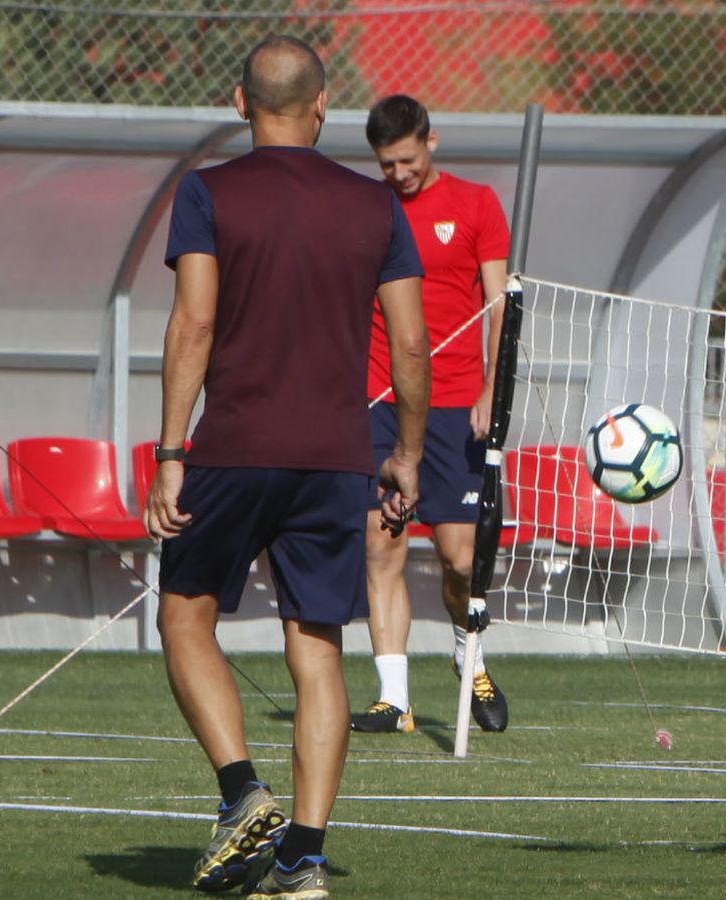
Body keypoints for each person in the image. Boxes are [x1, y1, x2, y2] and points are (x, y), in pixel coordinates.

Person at [145, 35, 429, 898]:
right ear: (322, 105)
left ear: (239, 102)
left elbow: (194, 324)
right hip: (338, 458)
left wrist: (168, 451)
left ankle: (242, 795)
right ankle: (304, 860)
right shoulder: (376, 204)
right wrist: (408, 455)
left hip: (233, 447)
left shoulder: (208, 192)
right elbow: (412, 342)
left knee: (185, 619)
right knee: (317, 649)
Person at [348, 94, 513, 737]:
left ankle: (469, 656)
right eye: (386, 164)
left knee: (461, 559)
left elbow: (501, 307)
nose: (398, 174)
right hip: (380, 401)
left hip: (453, 405)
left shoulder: (476, 205)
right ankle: (395, 699)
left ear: (431, 141)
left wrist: (491, 391)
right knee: (380, 542)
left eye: (407, 160)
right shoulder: (366, 209)